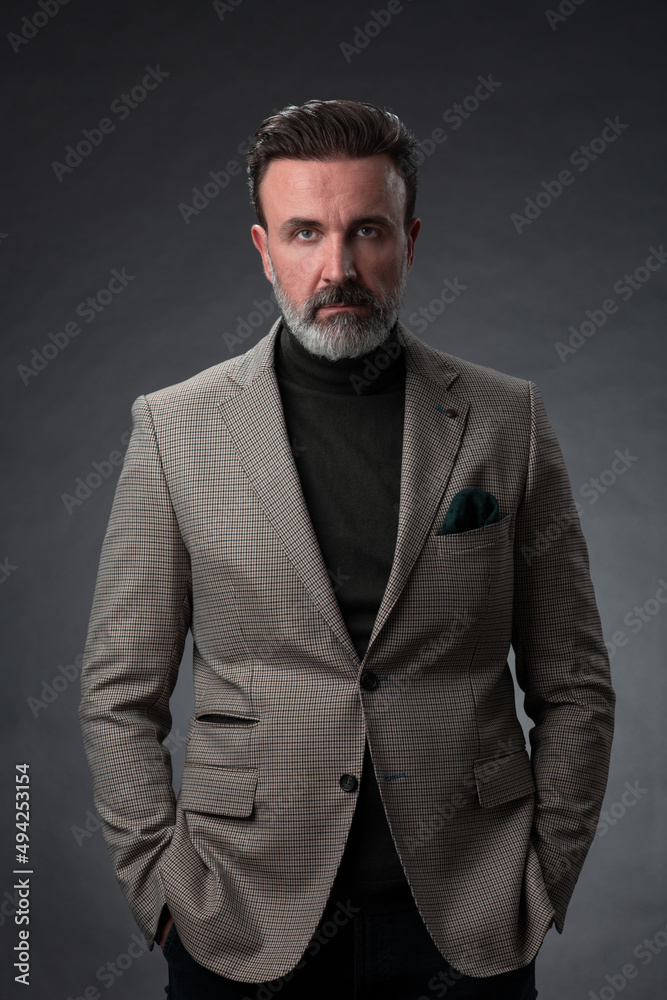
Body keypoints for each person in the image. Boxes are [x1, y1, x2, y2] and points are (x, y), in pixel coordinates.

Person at [79, 99, 615, 999]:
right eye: (303, 232)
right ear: (262, 247)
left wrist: (541, 877)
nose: (337, 267)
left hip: (466, 923)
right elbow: (117, 693)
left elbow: (574, 680)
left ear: (407, 238)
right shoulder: (174, 429)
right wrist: (160, 888)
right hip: (239, 922)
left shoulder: (505, 420)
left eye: (366, 230)